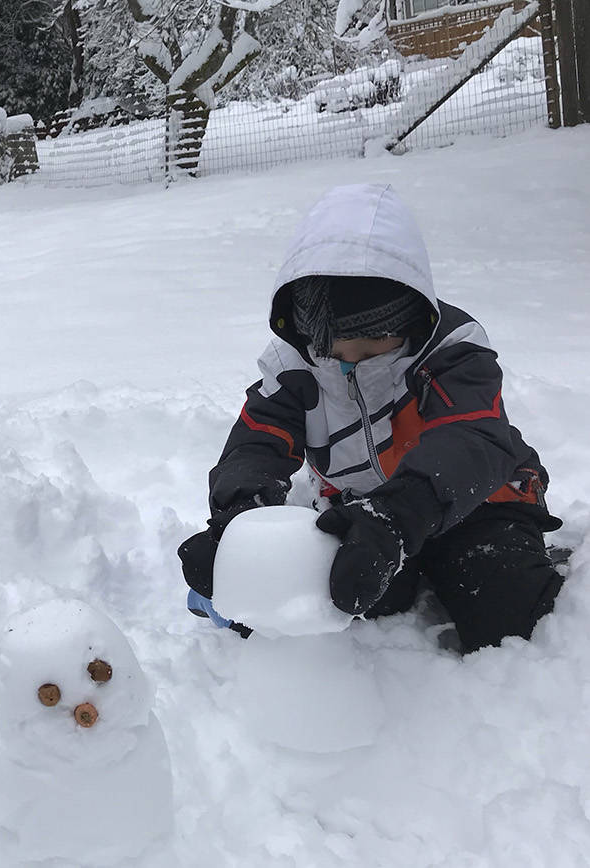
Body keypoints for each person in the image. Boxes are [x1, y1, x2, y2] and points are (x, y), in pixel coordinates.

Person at [178, 183, 564, 654]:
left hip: (478, 503)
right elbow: (256, 444)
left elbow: (471, 439)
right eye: (334, 350)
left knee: (504, 613)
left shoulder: (451, 351)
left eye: (367, 347)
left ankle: (532, 567)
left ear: (406, 319)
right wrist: (236, 520)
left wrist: (397, 518)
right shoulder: (295, 367)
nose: (347, 363)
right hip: (367, 513)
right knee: (344, 602)